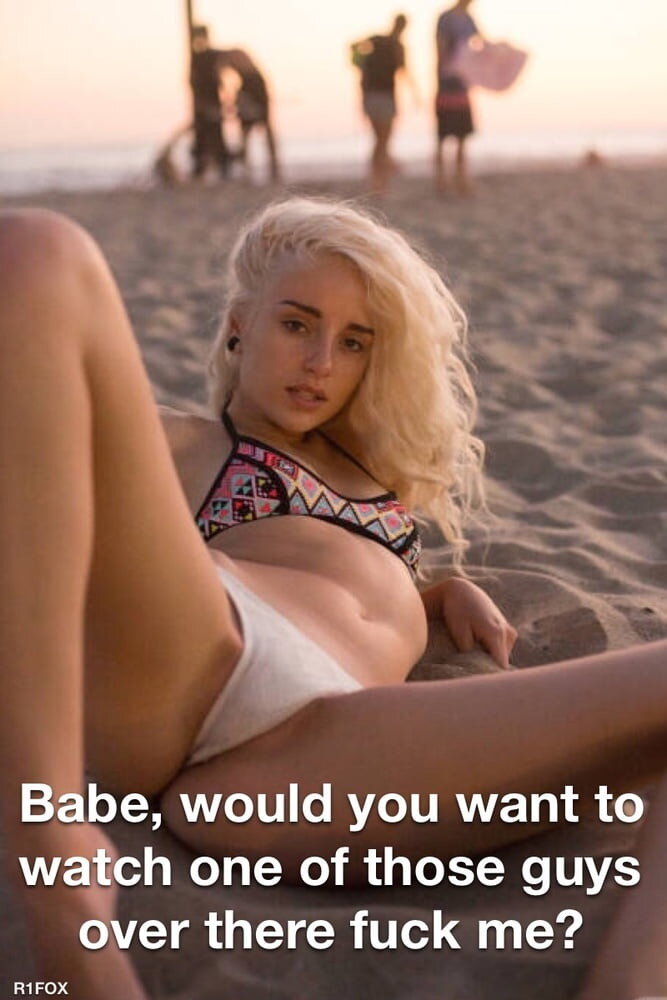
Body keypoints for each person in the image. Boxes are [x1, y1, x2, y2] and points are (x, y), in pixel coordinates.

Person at [1, 197, 667, 1000]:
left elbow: (334, 573)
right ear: (238, 326)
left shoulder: (369, 475)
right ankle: (54, 858)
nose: (320, 361)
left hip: (312, 755)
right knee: (37, 252)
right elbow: (36, 465)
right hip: (206, 652)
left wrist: (433, 593)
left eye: (353, 342)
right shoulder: (183, 441)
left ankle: (632, 984)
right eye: (296, 324)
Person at [351, 14, 410, 193]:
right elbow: (404, 71)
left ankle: (377, 178)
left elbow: (353, 45)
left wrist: (361, 63)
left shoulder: (378, 40)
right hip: (383, 96)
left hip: (371, 95)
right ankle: (380, 181)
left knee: (379, 140)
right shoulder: (395, 45)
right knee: (383, 141)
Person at [435, 0, 480, 195]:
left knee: (462, 136)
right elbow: (439, 48)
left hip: (462, 83)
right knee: (442, 136)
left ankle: (460, 179)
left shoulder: (468, 19)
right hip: (446, 83)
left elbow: (480, 44)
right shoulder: (446, 18)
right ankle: (442, 180)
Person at [218, 48, 280, 183]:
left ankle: (269, 169)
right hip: (253, 100)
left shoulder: (251, 77)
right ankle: (261, 169)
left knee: (254, 135)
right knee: (253, 135)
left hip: (255, 100)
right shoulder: (246, 74)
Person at [189, 24, 232, 180]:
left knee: (215, 134)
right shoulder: (198, 57)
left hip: (211, 101)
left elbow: (218, 78)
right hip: (203, 102)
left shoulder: (210, 56)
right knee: (203, 136)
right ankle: (203, 169)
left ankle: (222, 168)